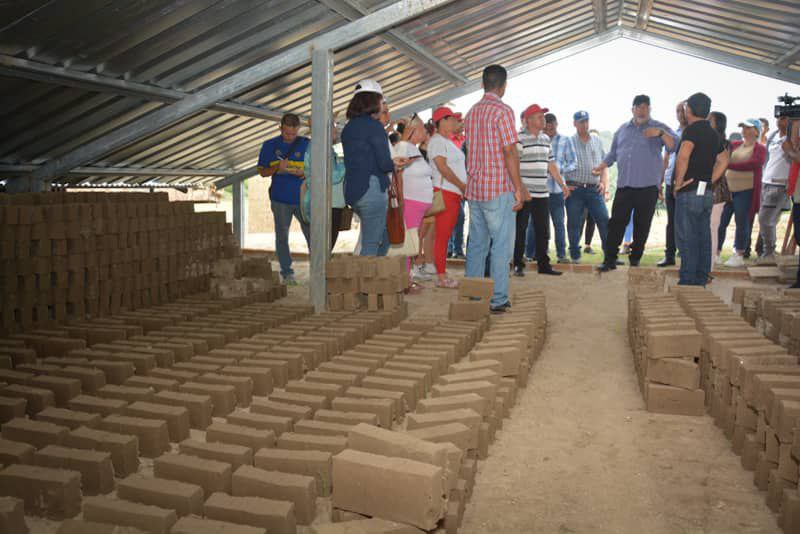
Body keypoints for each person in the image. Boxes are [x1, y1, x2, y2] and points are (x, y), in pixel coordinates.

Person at [463, 65, 527, 312]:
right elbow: (510, 150)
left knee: (477, 245)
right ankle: (499, 299)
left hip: (475, 189)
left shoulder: (471, 113)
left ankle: (474, 297)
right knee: (501, 245)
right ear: (504, 85)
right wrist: (518, 187)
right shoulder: (503, 111)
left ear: (482, 84)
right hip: (498, 188)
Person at [596, 95, 678, 272]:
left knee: (642, 225)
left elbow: (674, 146)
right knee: (616, 223)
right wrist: (601, 166)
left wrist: (661, 134)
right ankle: (609, 259)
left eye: (646, 107)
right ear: (632, 109)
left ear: (650, 109)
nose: (642, 110)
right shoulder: (622, 130)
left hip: (648, 187)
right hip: (625, 185)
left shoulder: (658, 127)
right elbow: (612, 154)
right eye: (639, 107)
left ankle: (635, 259)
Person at [672, 93, 728, 286]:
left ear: (690, 110)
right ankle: (701, 277)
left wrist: (678, 183)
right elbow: (724, 160)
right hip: (706, 193)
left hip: (689, 192)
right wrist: (709, 180)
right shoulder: (713, 133)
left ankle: (687, 280)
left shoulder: (691, 131)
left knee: (687, 238)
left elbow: (683, 157)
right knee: (703, 236)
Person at [341, 79, 397, 257]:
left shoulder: (348, 128)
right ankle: (365, 285)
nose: (382, 105)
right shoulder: (374, 127)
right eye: (381, 101)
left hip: (353, 191)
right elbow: (384, 163)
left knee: (383, 237)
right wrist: (397, 163)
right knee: (371, 245)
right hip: (371, 190)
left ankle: (374, 281)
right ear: (373, 101)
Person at [514, 104, 570, 276]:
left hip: (542, 193)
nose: (543, 120)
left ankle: (543, 266)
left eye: (543, 116)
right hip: (524, 193)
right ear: (529, 120)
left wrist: (562, 184)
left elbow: (551, 165)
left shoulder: (546, 139)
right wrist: (520, 189)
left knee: (543, 230)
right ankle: (518, 265)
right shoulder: (519, 138)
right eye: (539, 117)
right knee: (520, 230)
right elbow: (513, 165)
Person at [257, 113, 310, 285]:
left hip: (303, 198)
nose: (290, 137)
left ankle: (319, 269)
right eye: (287, 133)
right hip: (280, 199)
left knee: (313, 234)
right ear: (280, 128)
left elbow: (319, 167)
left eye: (293, 134)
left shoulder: (307, 144)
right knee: (282, 236)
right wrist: (276, 168)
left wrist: (305, 173)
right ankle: (287, 273)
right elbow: (262, 172)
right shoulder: (269, 145)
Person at [428, 107, 467, 288]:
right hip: (446, 191)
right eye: (451, 119)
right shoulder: (437, 142)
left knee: (444, 234)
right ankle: (441, 276)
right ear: (441, 121)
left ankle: (441, 272)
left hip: (452, 192)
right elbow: (442, 168)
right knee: (442, 236)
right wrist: (461, 185)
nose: (454, 122)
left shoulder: (446, 141)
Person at [393, 116, 434, 288]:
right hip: (410, 202)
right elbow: (398, 172)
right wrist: (401, 199)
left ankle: (407, 279)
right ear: (413, 131)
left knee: (412, 242)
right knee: (409, 243)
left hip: (417, 204)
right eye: (422, 128)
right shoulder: (404, 147)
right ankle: (405, 282)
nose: (425, 131)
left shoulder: (413, 149)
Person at [719, 119, 766, 267]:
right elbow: (723, 156)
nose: (744, 130)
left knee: (742, 222)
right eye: (743, 127)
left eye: (748, 127)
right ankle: (716, 252)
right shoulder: (735, 145)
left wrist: (729, 165)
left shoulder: (760, 148)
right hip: (728, 191)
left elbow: (754, 164)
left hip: (746, 190)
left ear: (756, 131)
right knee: (721, 222)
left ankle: (739, 253)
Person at [565, 110, 609, 264]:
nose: (584, 124)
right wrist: (564, 185)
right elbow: (559, 165)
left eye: (586, 121)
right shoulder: (568, 142)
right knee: (573, 223)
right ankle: (575, 256)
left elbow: (604, 164)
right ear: (574, 124)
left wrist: (603, 182)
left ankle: (609, 255)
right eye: (581, 121)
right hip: (575, 190)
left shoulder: (597, 140)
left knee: (604, 220)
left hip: (594, 189)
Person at [302, 116, 346, 249]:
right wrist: (347, 163)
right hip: (327, 203)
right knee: (324, 247)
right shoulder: (319, 148)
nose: (336, 129)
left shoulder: (324, 148)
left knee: (326, 246)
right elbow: (332, 176)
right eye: (333, 125)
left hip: (330, 202)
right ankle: (320, 270)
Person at [757, 113, 792, 264]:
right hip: (766, 181)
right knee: (767, 219)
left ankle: (769, 252)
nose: (780, 121)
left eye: (784, 118)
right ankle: (767, 252)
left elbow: (794, 159)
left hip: (779, 184)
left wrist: (789, 149)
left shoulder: (793, 138)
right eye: (779, 118)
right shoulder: (773, 135)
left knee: (765, 219)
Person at [657, 101, 689, 267]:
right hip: (670, 182)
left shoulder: (693, 132)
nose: (680, 114)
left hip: (684, 183)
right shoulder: (673, 133)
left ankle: (685, 257)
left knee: (685, 222)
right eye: (677, 111)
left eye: (683, 110)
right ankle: (669, 255)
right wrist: (660, 182)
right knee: (672, 221)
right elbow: (666, 159)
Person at [542, 113, 575, 264]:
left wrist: (559, 170)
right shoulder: (538, 140)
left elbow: (573, 162)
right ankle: (532, 254)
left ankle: (561, 255)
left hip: (557, 190)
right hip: (539, 190)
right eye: (547, 126)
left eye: (552, 125)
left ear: (556, 124)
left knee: (559, 224)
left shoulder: (565, 140)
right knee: (536, 226)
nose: (549, 128)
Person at [709, 111, 731, 270]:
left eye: (710, 120)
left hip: (717, 190)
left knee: (712, 227)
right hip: (708, 188)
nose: (706, 122)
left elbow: (720, 166)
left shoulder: (723, 143)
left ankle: (709, 265)